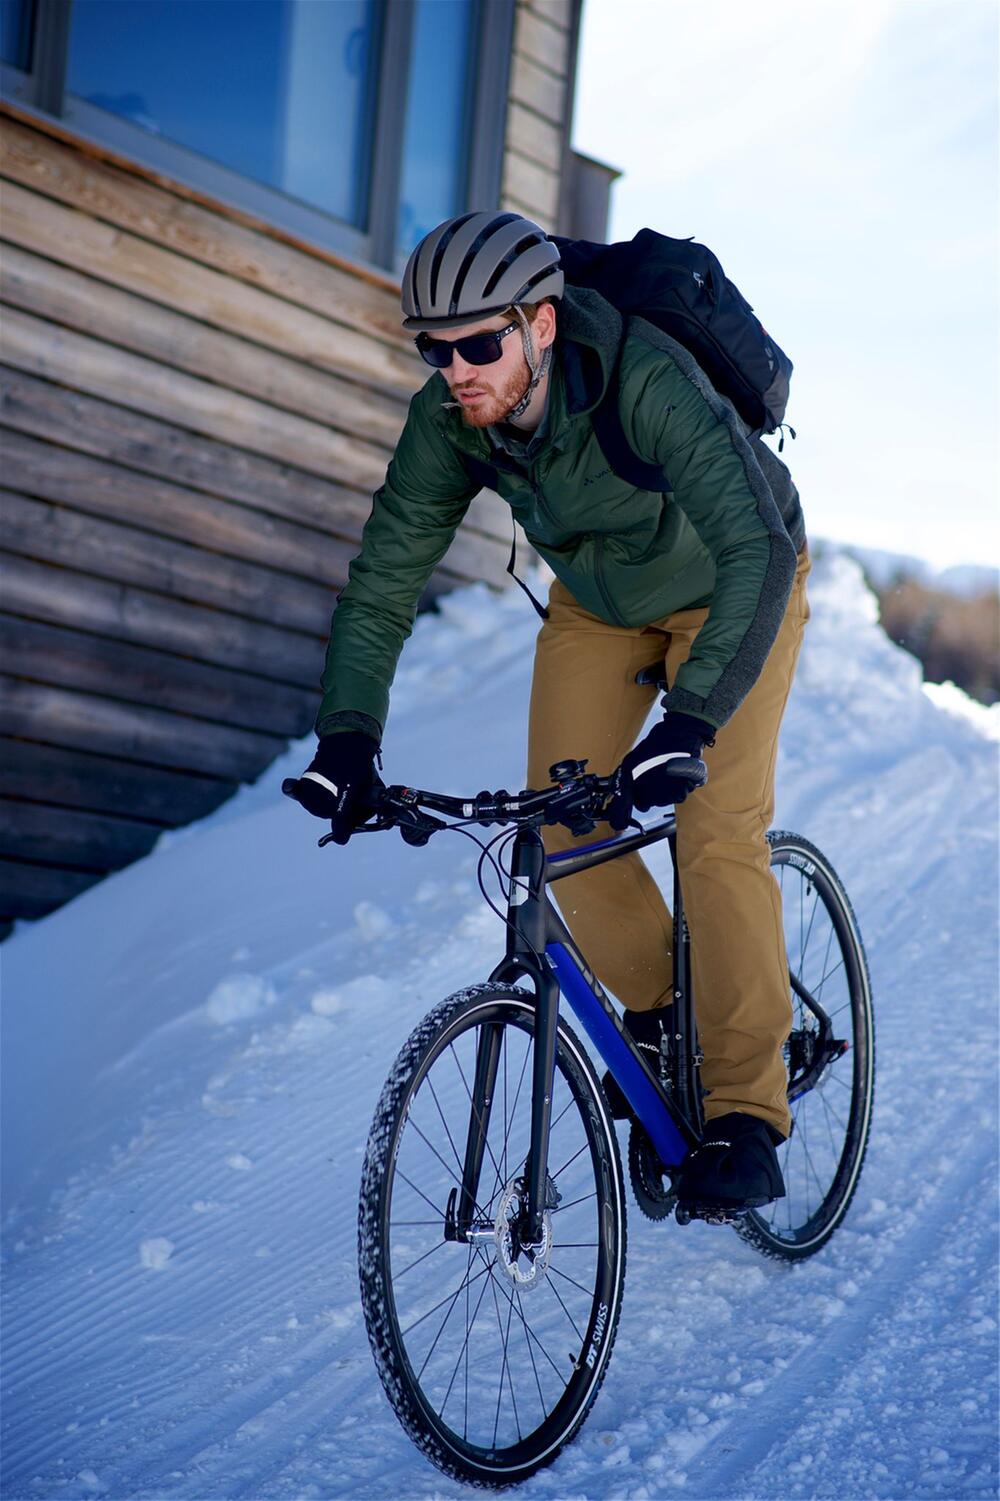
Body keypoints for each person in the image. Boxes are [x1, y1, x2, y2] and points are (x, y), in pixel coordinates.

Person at [292, 211, 810, 1214]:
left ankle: (748, 1110)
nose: (455, 370)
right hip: (600, 600)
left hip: (739, 577)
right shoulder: (450, 421)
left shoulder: (643, 380)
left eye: (478, 344)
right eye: (432, 349)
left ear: (536, 322)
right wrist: (347, 737)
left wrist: (690, 723)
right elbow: (383, 582)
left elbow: (752, 548)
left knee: (712, 835)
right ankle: (662, 1017)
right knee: (563, 816)